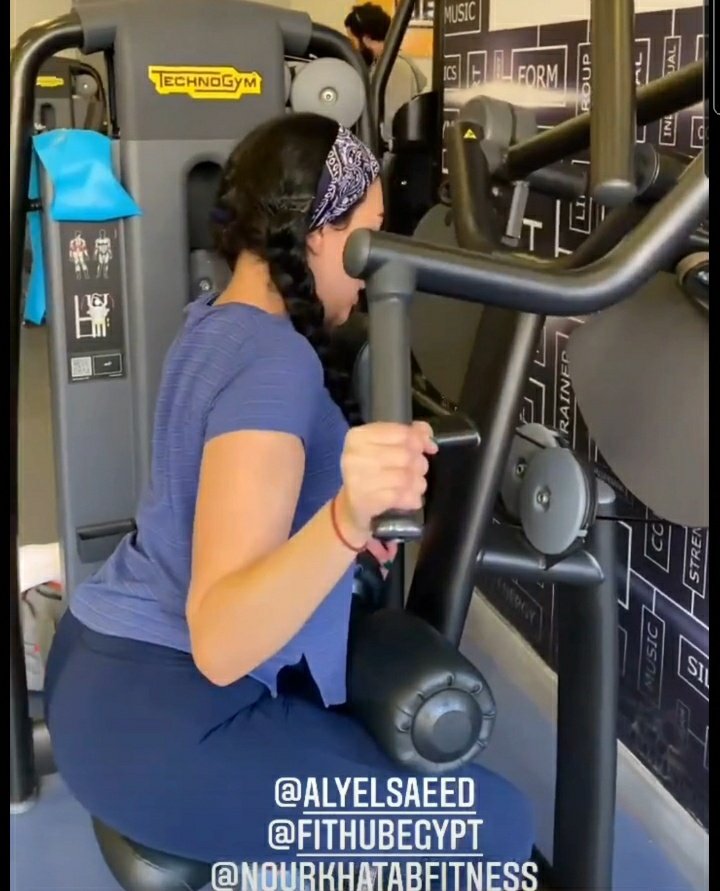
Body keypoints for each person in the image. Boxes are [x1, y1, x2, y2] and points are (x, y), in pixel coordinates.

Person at [44, 112, 534, 873]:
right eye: (371, 232)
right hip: (168, 726)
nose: (374, 264)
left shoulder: (212, 324)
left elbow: (224, 505)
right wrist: (343, 519)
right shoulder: (276, 362)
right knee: (496, 826)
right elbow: (221, 641)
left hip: (97, 672)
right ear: (320, 232)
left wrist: (326, 526)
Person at [344, 2, 427, 143]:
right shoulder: (381, 66)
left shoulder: (394, 69)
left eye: (353, 41)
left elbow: (389, 129)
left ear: (366, 39)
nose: (353, 48)